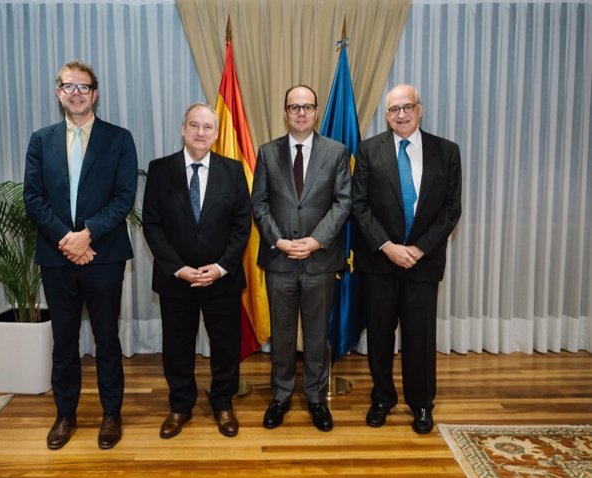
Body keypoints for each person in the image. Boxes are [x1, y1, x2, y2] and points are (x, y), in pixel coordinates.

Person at [23, 60, 138, 450]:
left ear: (95, 93)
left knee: (107, 338)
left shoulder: (119, 139)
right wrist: (67, 239)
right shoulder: (41, 140)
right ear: (58, 92)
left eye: (83, 87)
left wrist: (87, 234)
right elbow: (33, 198)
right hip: (57, 257)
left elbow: (124, 197)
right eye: (68, 86)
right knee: (64, 339)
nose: (75, 93)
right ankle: (65, 415)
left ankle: (111, 414)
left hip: (104, 255)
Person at [351, 84, 462, 434]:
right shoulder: (369, 150)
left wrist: (419, 249)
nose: (401, 114)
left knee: (420, 338)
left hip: (422, 263)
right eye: (393, 109)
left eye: (407, 107)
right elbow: (359, 206)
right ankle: (382, 399)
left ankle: (421, 405)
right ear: (386, 115)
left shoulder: (446, 152)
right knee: (380, 337)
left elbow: (451, 209)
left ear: (420, 108)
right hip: (380, 263)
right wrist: (387, 246)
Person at [142, 103, 251, 439]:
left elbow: (242, 224)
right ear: (183, 128)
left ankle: (223, 404)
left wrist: (220, 268)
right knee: (177, 346)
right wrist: (178, 269)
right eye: (194, 125)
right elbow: (152, 224)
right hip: (177, 281)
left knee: (225, 346)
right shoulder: (160, 170)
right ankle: (180, 406)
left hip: (222, 280)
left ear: (216, 134)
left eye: (207, 127)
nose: (201, 133)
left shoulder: (233, 171)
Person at [251, 85, 351, 432]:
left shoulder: (336, 152)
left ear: (316, 111)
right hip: (279, 260)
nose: (301, 113)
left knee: (314, 334)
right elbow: (259, 203)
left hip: (320, 260)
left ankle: (315, 398)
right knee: (281, 335)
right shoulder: (267, 153)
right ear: (286, 112)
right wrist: (279, 241)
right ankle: (280, 397)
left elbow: (343, 202)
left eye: (307, 106)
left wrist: (316, 240)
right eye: (294, 107)